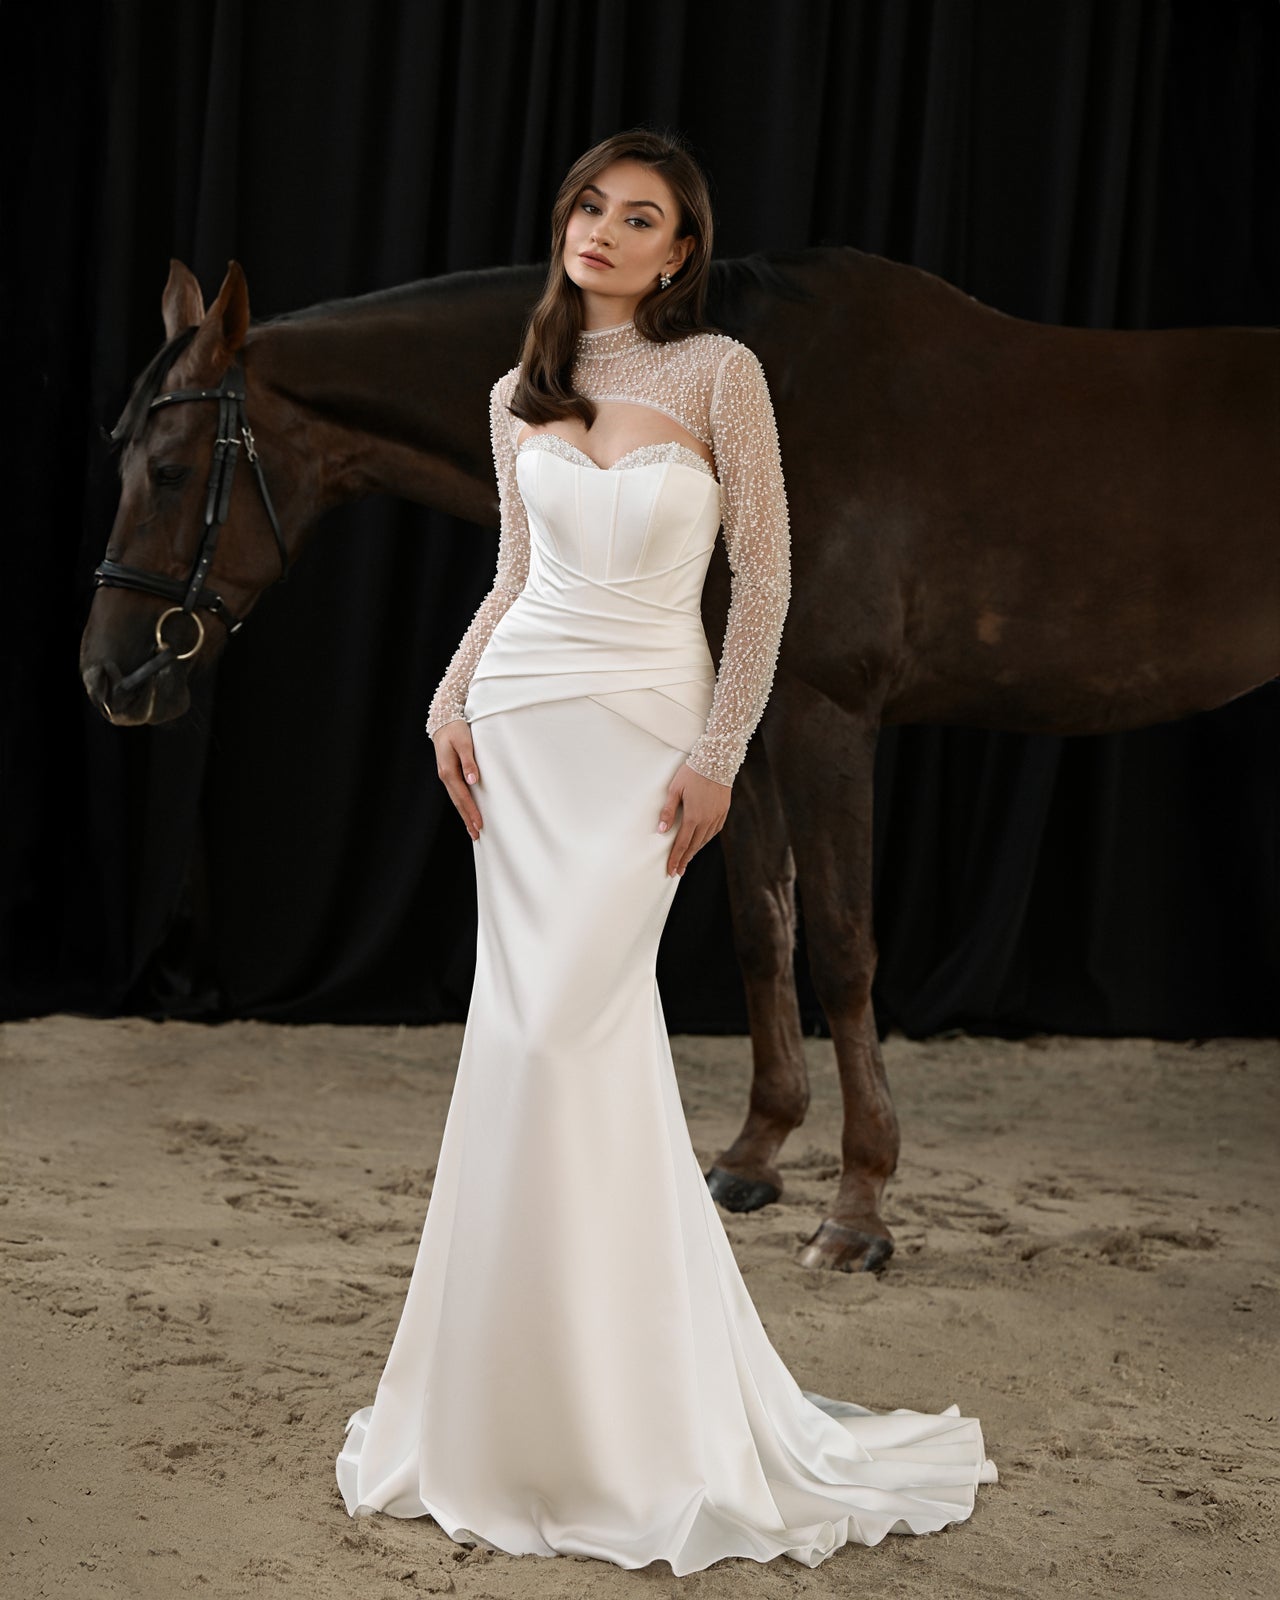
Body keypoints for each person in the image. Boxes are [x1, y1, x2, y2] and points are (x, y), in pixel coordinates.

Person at [336, 126, 996, 1574]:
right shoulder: (518, 388)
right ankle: (505, 1406)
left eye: (640, 216)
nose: (605, 229)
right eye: (590, 204)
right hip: (521, 727)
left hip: (647, 732)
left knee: (573, 1032)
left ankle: (628, 1410)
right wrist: (446, 701)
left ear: (681, 251)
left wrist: (719, 752)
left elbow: (763, 577)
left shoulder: (718, 374)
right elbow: (513, 573)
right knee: (521, 1043)